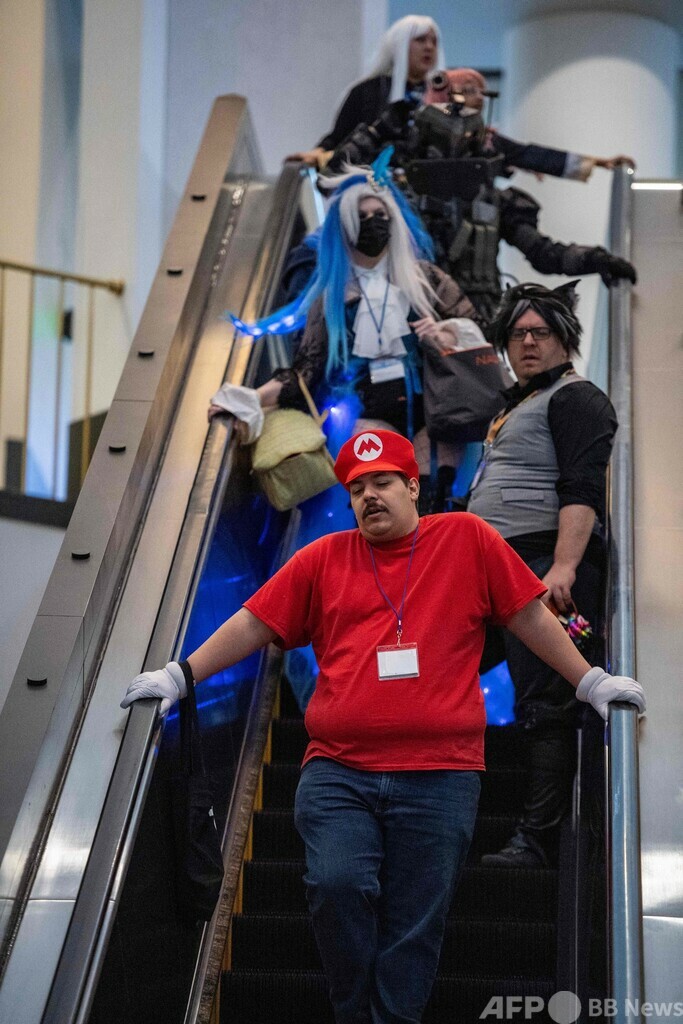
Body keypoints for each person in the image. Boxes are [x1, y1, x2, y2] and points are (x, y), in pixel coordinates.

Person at [121, 428, 645, 1024]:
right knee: (336, 885)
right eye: (357, 488)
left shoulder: (466, 538)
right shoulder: (324, 558)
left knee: (415, 920)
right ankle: (354, 1013)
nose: (369, 495)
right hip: (339, 770)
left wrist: (590, 682)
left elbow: (529, 615)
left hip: (442, 775)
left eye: (382, 482)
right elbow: (253, 622)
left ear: (413, 486)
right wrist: (180, 676)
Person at [211, 157, 499, 510]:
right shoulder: (330, 297)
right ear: (345, 226)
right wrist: (249, 399)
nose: (373, 223)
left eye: (380, 215)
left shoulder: (425, 279)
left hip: (436, 410)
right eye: (361, 217)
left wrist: (446, 334)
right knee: (383, 500)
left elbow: (481, 334)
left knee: (434, 501)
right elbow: (306, 371)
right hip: (367, 411)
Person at [467, 280, 620, 868]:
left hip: (539, 565)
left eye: (541, 332)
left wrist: (564, 565)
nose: (528, 342)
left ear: (565, 338)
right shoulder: (516, 403)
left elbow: (583, 485)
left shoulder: (576, 397)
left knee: (547, 702)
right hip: (495, 566)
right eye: (518, 333)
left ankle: (537, 842)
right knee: (435, 670)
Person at [326, 67, 637, 319]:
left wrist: (597, 260)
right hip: (410, 323)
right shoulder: (393, 202)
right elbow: (332, 176)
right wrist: (379, 130)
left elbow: (545, 253)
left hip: (476, 331)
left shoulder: (493, 202)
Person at [288, 14, 444, 169]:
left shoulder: (444, 97)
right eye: (420, 40)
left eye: (434, 41)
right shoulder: (368, 91)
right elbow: (339, 137)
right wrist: (319, 152)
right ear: (399, 44)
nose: (429, 47)